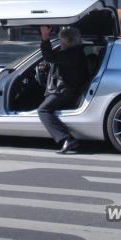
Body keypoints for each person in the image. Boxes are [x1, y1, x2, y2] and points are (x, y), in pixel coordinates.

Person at [37, 25, 89, 154]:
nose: (60, 42)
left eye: (61, 40)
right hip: (68, 89)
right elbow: (56, 61)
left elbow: (49, 56)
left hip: (65, 92)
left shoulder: (71, 54)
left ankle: (67, 139)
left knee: (43, 110)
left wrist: (45, 37)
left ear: (65, 42)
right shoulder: (76, 52)